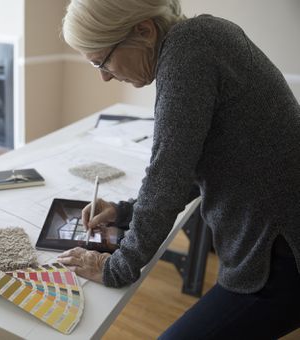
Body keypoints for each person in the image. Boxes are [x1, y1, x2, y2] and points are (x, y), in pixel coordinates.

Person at [56, 0, 300, 338]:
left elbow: (165, 180)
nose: (105, 76)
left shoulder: (188, 53)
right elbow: (192, 166)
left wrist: (116, 267)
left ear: (143, 30)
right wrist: (124, 211)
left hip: (283, 251)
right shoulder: (200, 36)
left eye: (103, 60)